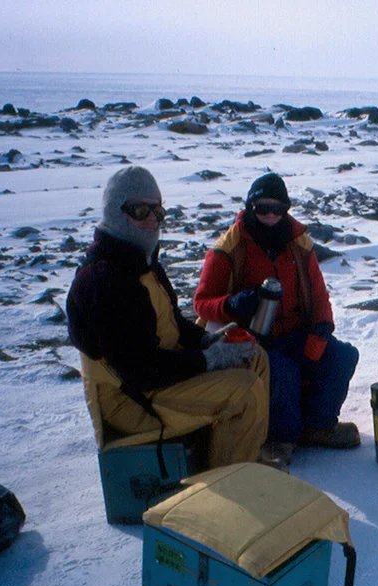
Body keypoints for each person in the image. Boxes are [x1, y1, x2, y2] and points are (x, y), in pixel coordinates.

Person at [67, 166, 269, 469]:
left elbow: (173, 324)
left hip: (162, 378)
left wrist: (206, 340)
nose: (151, 219)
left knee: (255, 358)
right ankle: (229, 484)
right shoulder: (103, 281)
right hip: (133, 403)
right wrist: (208, 359)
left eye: (157, 211)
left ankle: (243, 454)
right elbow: (141, 370)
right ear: (115, 213)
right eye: (139, 210)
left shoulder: (143, 264)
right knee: (244, 390)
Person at [194, 172, 359, 469]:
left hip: (295, 332)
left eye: (277, 209)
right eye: (262, 208)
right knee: (282, 370)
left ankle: (317, 427)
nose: (270, 215)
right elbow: (202, 303)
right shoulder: (228, 248)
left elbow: (319, 293)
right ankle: (278, 440)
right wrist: (232, 304)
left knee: (342, 355)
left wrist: (322, 328)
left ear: (286, 209)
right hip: (252, 340)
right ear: (250, 207)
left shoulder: (300, 245)